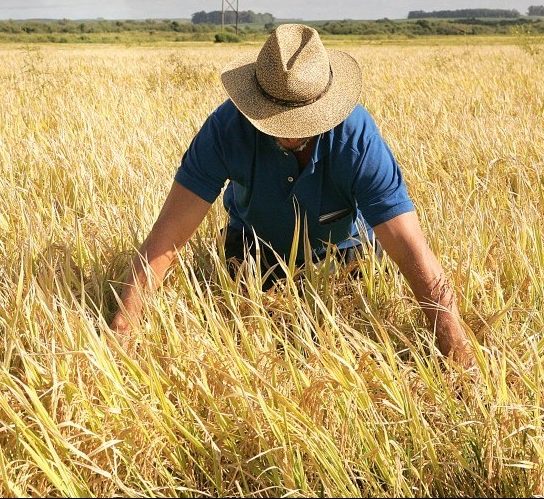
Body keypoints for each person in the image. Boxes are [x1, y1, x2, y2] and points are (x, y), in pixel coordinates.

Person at [110, 23, 476, 368]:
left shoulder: (357, 139)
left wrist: (458, 355)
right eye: (276, 121)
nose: (289, 135)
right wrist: (122, 333)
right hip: (256, 252)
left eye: (303, 122)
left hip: (347, 253)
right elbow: (166, 239)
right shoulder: (225, 129)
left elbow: (411, 249)